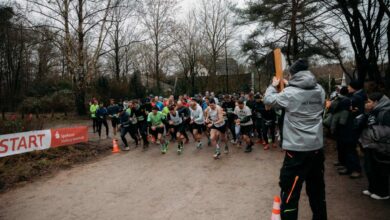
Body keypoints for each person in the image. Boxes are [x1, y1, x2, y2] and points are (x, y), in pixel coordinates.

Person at [264, 58, 327, 220]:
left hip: (297, 152)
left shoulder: (290, 93)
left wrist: (273, 85)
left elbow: (268, 100)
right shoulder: (320, 89)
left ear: (292, 75)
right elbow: (305, 95)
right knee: (317, 190)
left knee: (290, 192)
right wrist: (289, 84)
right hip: (316, 149)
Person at [360, 92, 390, 200]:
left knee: (381, 170)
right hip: (371, 144)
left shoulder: (386, 113)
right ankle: (373, 188)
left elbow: (386, 132)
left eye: (369, 102)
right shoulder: (373, 111)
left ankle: (383, 193)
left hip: (381, 147)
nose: (367, 104)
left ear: (377, 102)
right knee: (370, 168)